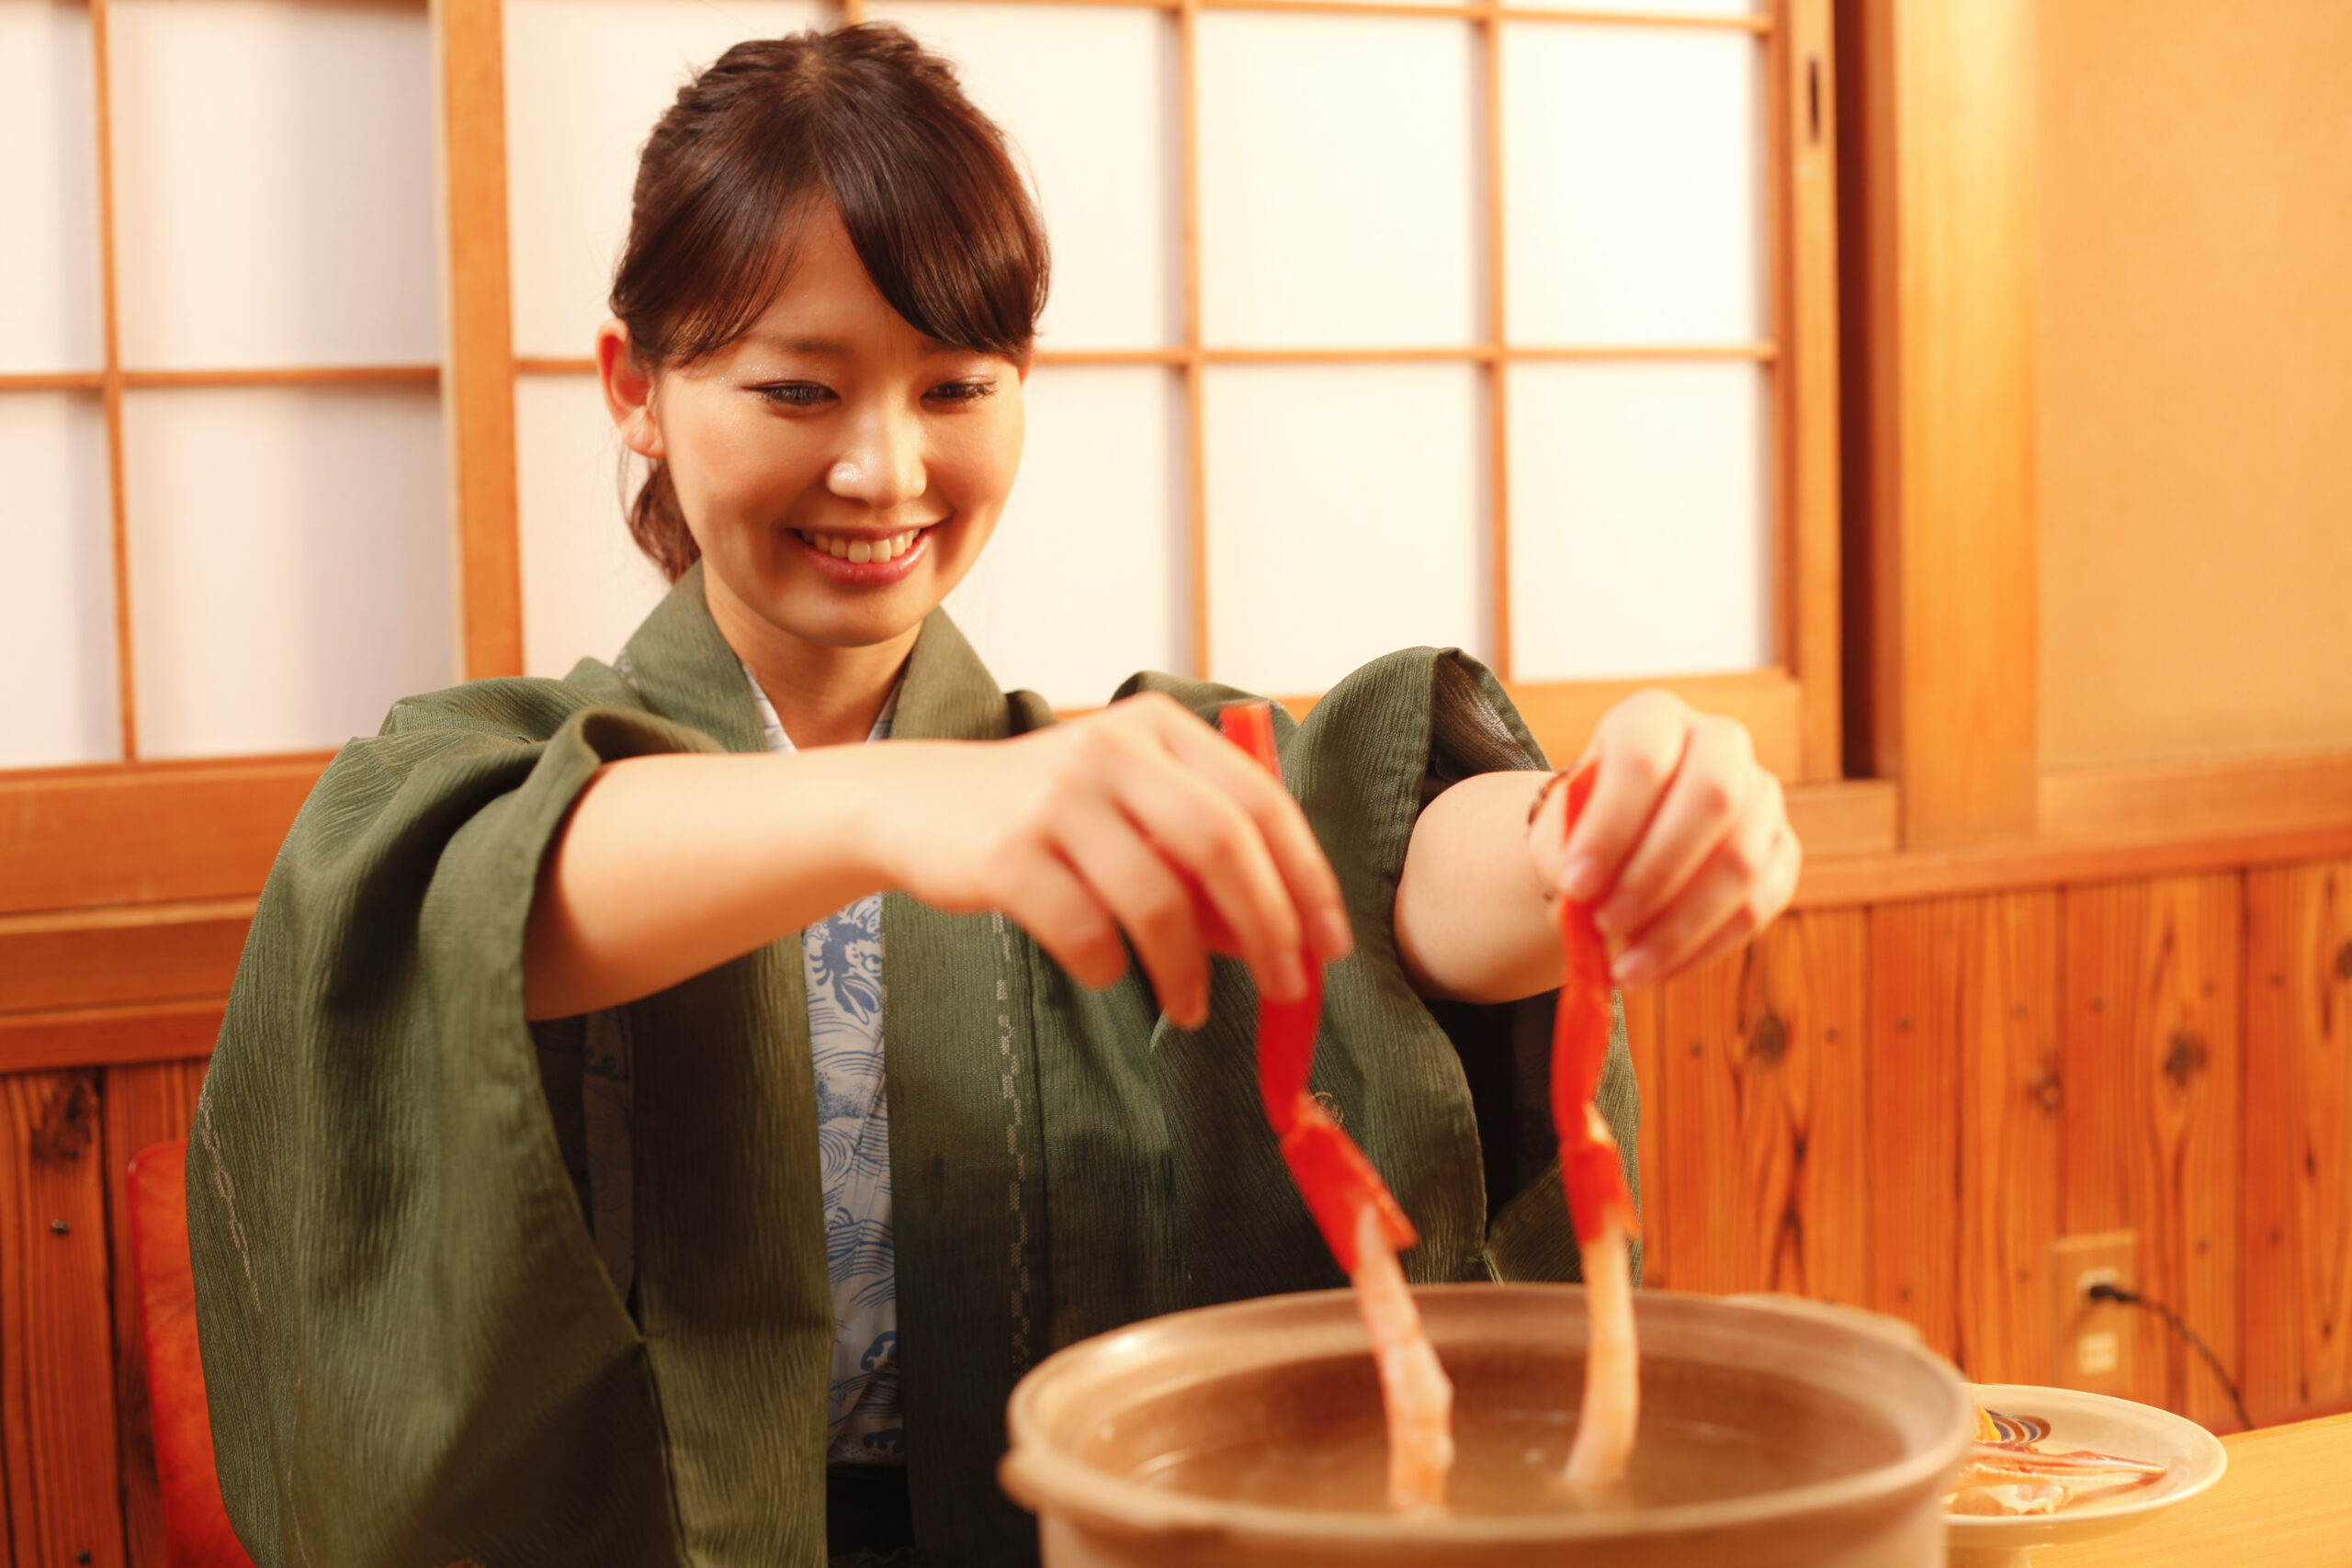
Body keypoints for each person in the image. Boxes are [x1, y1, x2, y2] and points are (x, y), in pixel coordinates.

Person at [187, 23, 1799, 1568]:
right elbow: (495, 902)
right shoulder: (491, 771)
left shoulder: (1103, 772)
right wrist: (902, 810)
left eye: (958, 388)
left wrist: (1595, 834)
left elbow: (1372, 865)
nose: (887, 471)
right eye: (799, 392)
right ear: (635, 386)